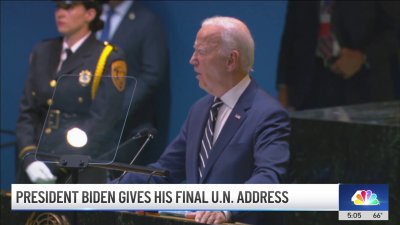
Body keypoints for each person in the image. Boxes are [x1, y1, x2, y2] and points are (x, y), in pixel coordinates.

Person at [117, 16, 291, 225]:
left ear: (230, 60)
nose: (193, 59)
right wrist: (113, 189)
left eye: (202, 51)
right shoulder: (199, 110)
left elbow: (269, 177)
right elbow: (164, 171)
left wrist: (226, 207)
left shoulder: (268, 114)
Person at [16, 0, 127, 184]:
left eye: (68, 7)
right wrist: (29, 157)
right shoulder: (43, 51)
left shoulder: (106, 57)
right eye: (58, 7)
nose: (60, 13)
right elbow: (27, 112)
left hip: (76, 168)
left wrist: (56, 163)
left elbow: (102, 122)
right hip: (34, 165)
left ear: (90, 14)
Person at [277, 1, 399, 111]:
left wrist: (363, 56)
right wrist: (283, 86)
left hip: (365, 86)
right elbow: (290, 33)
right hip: (310, 87)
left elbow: (395, 28)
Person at [98, 0, 169, 169]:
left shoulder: (147, 21)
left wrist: (117, 110)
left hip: (127, 127)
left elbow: (152, 73)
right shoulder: (93, 16)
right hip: (89, 125)